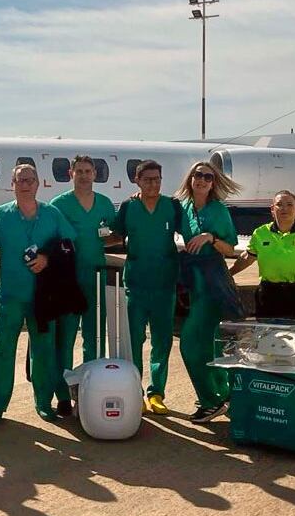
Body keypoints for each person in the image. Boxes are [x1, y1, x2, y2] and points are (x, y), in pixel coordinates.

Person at [0, 164, 76, 426]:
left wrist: (47, 258)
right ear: (12, 184)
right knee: (3, 350)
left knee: (43, 350)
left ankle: (43, 403)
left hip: (44, 298)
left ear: (38, 184)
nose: (25, 185)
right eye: (20, 180)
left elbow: (68, 246)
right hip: (10, 296)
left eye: (30, 180)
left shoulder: (52, 214)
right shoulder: (0, 215)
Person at [113, 159, 183, 414]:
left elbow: (190, 230)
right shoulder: (128, 207)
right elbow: (113, 235)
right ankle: (136, 392)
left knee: (162, 341)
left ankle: (156, 393)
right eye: (147, 179)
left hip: (164, 284)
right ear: (137, 181)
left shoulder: (172, 206)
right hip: (136, 284)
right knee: (134, 339)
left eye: (157, 179)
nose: (153, 184)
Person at [49, 155, 117, 416]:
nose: (84, 175)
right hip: (68, 281)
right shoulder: (59, 205)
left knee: (94, 337)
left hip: (96, 277)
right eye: (79, 171)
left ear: (95, 174)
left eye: (88, 171)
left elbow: (113, 235)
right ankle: (63, 395)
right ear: (71, 174)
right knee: (65, 338)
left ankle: (91, 390)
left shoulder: (105, 204)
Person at [176, 160, 240, 423]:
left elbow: (231, 248)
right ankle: (223, 396)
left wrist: (210, 238)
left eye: (208, 177)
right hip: (195, 282)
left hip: (214, 283)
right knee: (209, 346)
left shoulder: (218, 210)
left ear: (214, 183)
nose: (202, 180)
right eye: (197, 175)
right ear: (190, 179)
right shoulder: (183, 208)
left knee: (191, 343)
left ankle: (211, 401)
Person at [229, 190, 295, 320]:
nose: (284, 208)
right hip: (269, 294)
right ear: (272, 209)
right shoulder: (261, 233)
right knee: (267, 331)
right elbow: (247, 257)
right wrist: (228, 274)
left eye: (289, 204)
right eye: (279, 204)